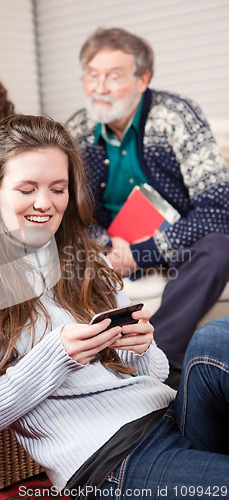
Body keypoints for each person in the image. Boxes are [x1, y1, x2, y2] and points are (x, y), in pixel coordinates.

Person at [0, 114, 229, 500]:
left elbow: (152, 371)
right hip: (110, 459)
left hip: (169, 415)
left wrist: (139, 347)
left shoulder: (88, 261)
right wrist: (58, 354)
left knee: (216, 338)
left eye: (58, 188)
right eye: (26, 189)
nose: (44, 203)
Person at [66, 27, 229, 384]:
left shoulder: (177, 116)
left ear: (143, 79)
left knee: (220, 248)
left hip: (175, 246)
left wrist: (142, 252)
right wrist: (106, 247)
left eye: (113, 76)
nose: (100, 87)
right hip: (106, 249)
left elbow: (217, 207)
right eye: (92, 76)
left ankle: (161, 361)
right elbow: (72, 212)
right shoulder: (76, 129)